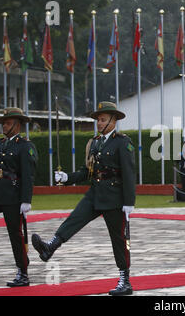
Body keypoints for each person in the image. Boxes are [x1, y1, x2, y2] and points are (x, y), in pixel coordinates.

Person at [31, 102, 136, 295]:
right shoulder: (94, 142)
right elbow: (86, 171)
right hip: (95, 192)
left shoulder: (122, 142)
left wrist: (129, 202)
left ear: (113, 121)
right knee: (75, 218)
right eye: (98, 119)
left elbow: (129, 173)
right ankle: (50, 246)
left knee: (118, 239)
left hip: (114, 196)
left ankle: (125, 279)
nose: (99, 123)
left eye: (103, 119)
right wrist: (67, 178)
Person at [0, 107, 38, 287]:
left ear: (17, 124)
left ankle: (23, 272)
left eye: (7, 122)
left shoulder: (25, 146)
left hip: (13, 195)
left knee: (15, 235)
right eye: (3, 123)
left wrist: (26, 200)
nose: (4, 126)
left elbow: (28, 175)